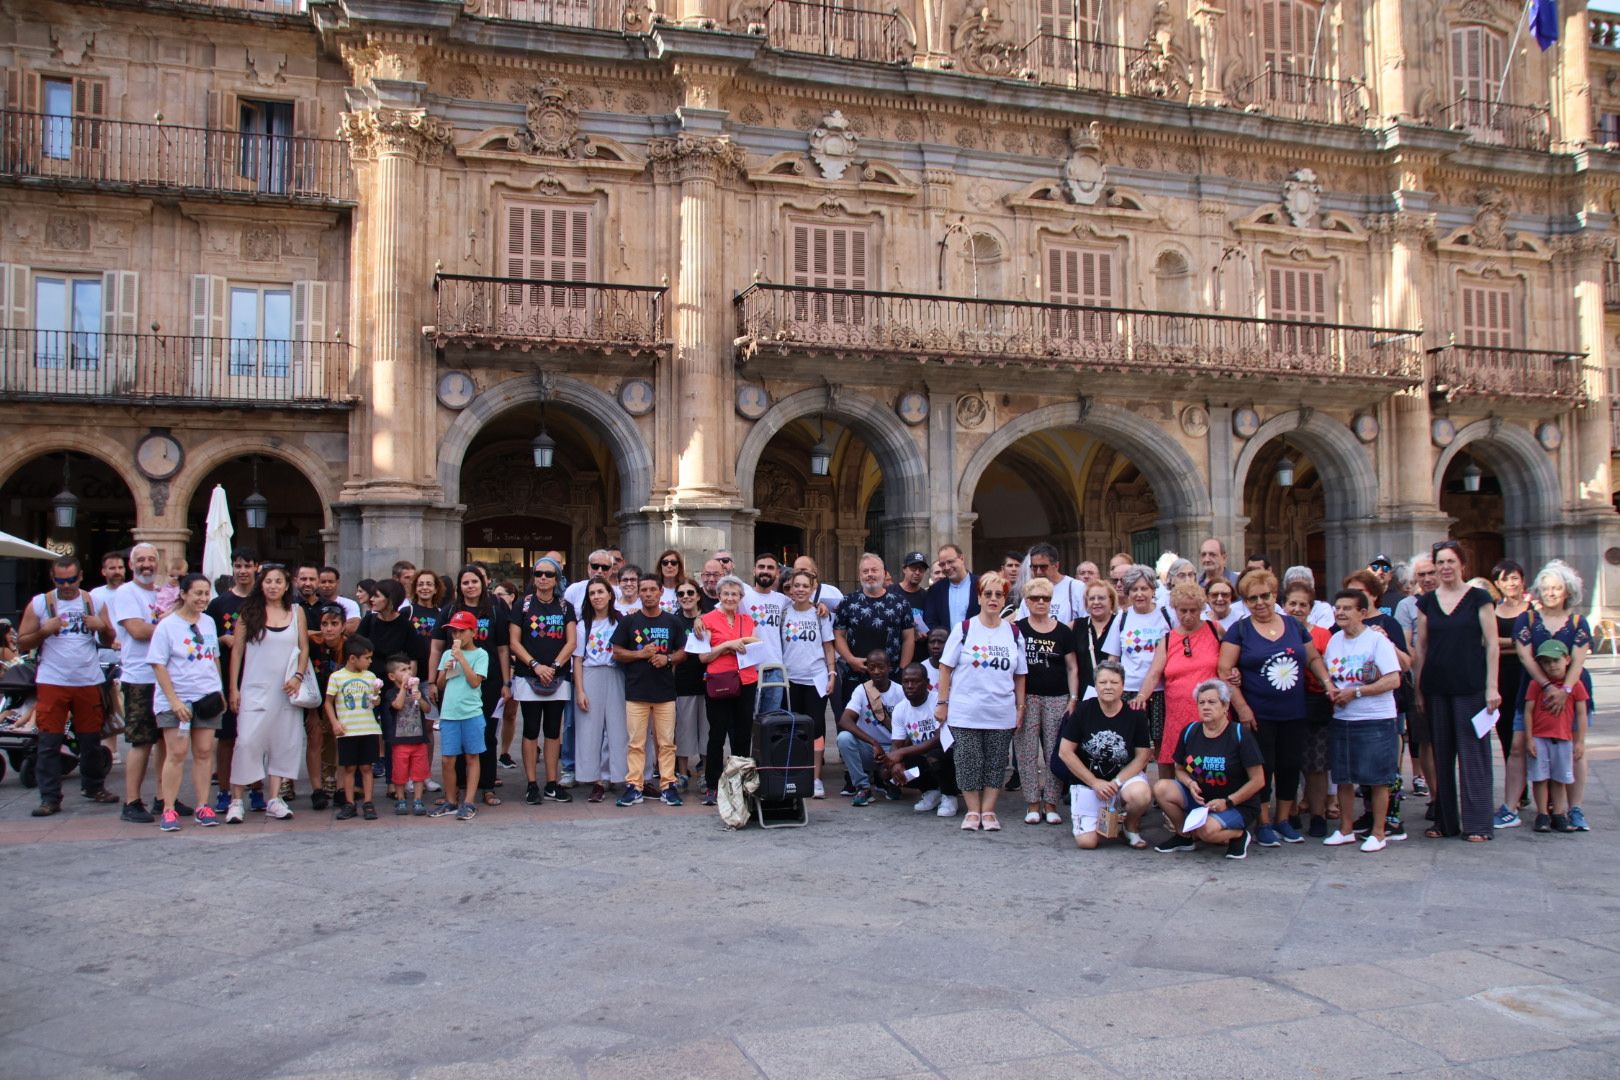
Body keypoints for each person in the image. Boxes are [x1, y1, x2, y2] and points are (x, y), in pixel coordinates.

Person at [1219, 568, 1332, 848]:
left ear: (1274, 596)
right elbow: (1224, 669)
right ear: (1244, 602)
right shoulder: (1240, 630)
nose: (1260, 603)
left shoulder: (1293, 626)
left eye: (1265, 596)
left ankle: (1284, 819)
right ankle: (1264, 821)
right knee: (1262, 768)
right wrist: (1242, 708)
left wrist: (1327, 682)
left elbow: (1313, 658)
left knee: (1290, 765)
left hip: (1294, 711)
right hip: (1258, 714)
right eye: (1252, 598)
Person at [16, 555, 117, 816]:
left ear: (81, 576)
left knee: (90, 739)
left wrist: (102, 626)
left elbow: (109, 639)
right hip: (53, 680)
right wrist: (43, 631)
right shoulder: (40, 603)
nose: (66, 585)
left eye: (71, 579)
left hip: (88, 679)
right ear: (53, 578)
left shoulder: (93, 601)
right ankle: (49, 797)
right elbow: (22, 643)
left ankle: (94, 787)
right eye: (61, 581)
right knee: (49, 740)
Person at [1413, 541, 1501, 842]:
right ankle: (1445, 821)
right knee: (1441, 755)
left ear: (1462, 564)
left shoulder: (1479, 597)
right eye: (1440, 562)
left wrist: (1492, 686)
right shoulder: (1426, 602)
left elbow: (1491, 644)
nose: (1445, 567)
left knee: (1473, 755)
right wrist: (1419, 689)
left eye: (1451, 561)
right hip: (1437, 686)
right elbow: (1422, 647)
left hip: (1471, 687)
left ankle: (1478, 824)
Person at [937, 572, 1027, 832]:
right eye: (988, 594)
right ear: (979, 597)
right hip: (966, 710)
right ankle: (972, 811)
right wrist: (942, 702)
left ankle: (988, 811)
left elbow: (1020, 675)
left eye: (999, 595)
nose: (993, 599)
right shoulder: (964, 629)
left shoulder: (1012, 632)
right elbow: (945, 667)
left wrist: (1020, 708)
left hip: (1000, 711)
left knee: (996, 762)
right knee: (967, 760)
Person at [1514, 559, 1594, 831]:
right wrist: (1548, 687)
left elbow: (1579, 659)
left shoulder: (1577, 621)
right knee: (1530, 748)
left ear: (1567, 591)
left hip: (1573, 692)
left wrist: (1565, 690)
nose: (1550, 593)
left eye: (1556, 588)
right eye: (1546, 588)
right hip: (1536, 690)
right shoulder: (1528, 619)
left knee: (1574, 750)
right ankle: (1541, 809)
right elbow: (1525, 655)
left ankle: (1575, 808)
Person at [1321, 589, 1403, 852]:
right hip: (1343, 717)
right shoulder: (1334, 640)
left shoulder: (1377, 641)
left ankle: (1378, 833)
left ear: (1363, 613)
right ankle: (1345, 829)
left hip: (1375, 718)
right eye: (1338, 608)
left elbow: (1393, 679)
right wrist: (1332, 690)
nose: (1340, 613)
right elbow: (1334, 675)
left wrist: (1356, 692)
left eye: (1347, 608)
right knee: (1343, 777)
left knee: (1377, 778)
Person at [227, 564, 309, 823]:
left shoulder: (296, 612)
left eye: (278, 581)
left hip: (286, 689)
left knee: (284, 742)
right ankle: (237, 799)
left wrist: (298, 676)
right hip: (254, 688)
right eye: (268, 581)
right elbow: (237, 652)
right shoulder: (248, 614)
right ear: (260, 584)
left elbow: (303, 647)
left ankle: (275, 797)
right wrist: (233, 688)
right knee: (247, 742)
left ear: (287, 586)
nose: (273, 586)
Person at [1153, 680, 1267, 859]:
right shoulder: (1190, 731)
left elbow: (1258, 780)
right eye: (1201, 702)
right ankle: (1185, 836)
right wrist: (1190, 783)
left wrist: (1228, 801)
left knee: (1206, 833)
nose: (1206, 707)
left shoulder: (1239, 734)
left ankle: (1239, 835)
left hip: (1236, 804)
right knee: (1162, 788)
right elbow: (1179, 769)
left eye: (1212, 702)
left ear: (1225, 706)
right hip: (1201, 802)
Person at [147, 575, 225, 831]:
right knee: (176, 753)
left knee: (204, 752)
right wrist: (174, 701)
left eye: (206, 593)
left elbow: (213, 656)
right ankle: (168, 807)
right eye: (197, 593)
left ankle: (203, 805)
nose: (203, 599)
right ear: (183, 594)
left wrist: (219, 688)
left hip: (207, 695)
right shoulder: (167, 626)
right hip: (177, 697)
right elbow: (158, 664)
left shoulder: (209, 622)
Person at [429, 566, 511, 807]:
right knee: (455, 737)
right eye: (465, 582)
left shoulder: (495, 609)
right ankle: (457, 789)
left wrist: (507, 682)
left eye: (474, 581)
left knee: (485, 734)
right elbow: (435, 647)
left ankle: (486, 786)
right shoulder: (449, 611)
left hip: (488, 680)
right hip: (454, 683)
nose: (470, 586)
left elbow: (503, 648)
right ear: (459, 586)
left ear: (482, 583)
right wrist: (432, 681)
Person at [612, 573, 689, 807]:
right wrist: (640, 654)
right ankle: (634, 786)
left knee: (666, 743)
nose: (647, 594)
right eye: (643, 590)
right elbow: (616, 652)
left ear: (660, 592)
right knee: (636, 743)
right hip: (636, 692)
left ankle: (668, 785)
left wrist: (666, 659)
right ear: (638, 593)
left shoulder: (672, 621)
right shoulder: (629, 621)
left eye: (651, 590)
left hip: (665, 692)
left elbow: (684, 652)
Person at [1058, 659, 1152, 850]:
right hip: (1089, 781)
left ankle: (1129, 826)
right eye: (1103, 682)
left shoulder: (1136, 715)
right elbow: (1065, 752)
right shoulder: (1083, 710)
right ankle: (1107, 817)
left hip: (1123, 779)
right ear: (1096, 685)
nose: (1108, 687)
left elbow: (1143, 756)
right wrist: (1095, 782)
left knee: (1140, 795)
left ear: (1123, 686)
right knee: (1087, 842)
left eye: (1114, 682)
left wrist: (1116, 783)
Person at [1133, 581, 1221, 782]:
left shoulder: (1215, 629)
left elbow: (1230, 659)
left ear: (1201, 608)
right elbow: (1154, 673)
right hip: (1177, 711)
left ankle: (1207, 798)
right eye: (1183, 611)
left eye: (1193, 610)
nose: (1188, 616)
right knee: (1173, 758)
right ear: (1175, 609)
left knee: (1208, 761)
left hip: (1209, 710)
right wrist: (1141, 696)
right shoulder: (1168, 638)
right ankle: (1172, 800)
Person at [510, 556, 577, 806]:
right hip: (529, 676)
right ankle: (531, 784)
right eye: (539, 573)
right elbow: (514, 641)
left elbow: (571, 641)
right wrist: (536, 666)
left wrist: (555, 666)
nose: (543, 578)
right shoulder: (523, 606)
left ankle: (551, 782)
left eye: (549, 574)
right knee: (529, 730)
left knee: (552, 731)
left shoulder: (565, 606)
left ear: (557, 578)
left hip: (558, 677)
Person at [1014, 577, 1078, 825]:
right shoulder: (1018, 628)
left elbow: (1072, 667)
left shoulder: (1062, 631)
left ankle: (1051, 803)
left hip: (1057, 697)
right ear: (1026, 601)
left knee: (1055, 751)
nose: (1041, 602)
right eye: (1035, 598)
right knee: (1026, 750)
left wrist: (1073, 698)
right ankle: (1032, 803)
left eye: (1046, 598)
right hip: (1027, 697)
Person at [113, 543, 167, 823]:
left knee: (164, 740)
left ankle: (163, 797)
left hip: (164, 678)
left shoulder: (160, 593)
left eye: (151, 560)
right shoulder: (126, 593)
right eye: (141, 560)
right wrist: (170, 629)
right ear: (132, 564)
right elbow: (136, 629)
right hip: (139, 677)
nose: (147, 565)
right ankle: (131, 800)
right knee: (141, 741)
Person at [697, 574, 760, 805]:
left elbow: (755, 643)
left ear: (741, 597)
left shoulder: (747, 619)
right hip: (720, 681)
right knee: (717, 734)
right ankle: (712, 784)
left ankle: (741, 781)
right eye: (726, 594)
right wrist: (727, 645)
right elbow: (704, 656)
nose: (730, 598)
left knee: (743, 734)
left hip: (746, 680)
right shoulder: (707, 620)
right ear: (719, 596)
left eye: (735, 594)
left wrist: (738, 644)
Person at [205, 551, 258, 814]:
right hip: (228, 676)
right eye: (238, 565)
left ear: (255, 567)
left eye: (247, 565)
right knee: (227, 738)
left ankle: (257, 789)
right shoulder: (219, 604)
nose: (242, 570)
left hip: (259, 675)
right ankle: (224, 791)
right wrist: (221, 640)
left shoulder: (263, 601)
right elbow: (206, 637)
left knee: (256, 737)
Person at [833, 553, 916, 712]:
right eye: (865, 571)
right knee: (852, 723)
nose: (870, 574)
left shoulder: (900, 603)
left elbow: (908, 638)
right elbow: (838, 635)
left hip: (891, 676)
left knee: (894, 723)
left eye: (874, 570)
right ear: (859, 576)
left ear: (884, 573)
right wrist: (850, 660)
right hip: (856, 675)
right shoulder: (848, 602)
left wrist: (903, 670)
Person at [1102, 565, 1170, 749]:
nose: (1139, 594)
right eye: (1134, 589)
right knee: (1128, 742)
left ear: (1153, 590)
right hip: (1128, 690)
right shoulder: (1122, 617)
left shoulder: (1166, 615)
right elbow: (1113, 658)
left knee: (1161, 743)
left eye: (1144, 589)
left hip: (1160, 691)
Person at [781, 569, 836, 798]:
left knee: (816, 728)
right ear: (790, 589)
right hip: (790, 679)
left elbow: (828, 645)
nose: (801, 589)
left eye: (805, 586)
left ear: (813, 589)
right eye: (797, 586)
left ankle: (815, 778)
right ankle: (795, 773)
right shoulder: (784, 614)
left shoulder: (820, 614)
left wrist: (832, 673)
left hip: (815, 679)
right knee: (792, 728)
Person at [1523, 640, 1587, 833]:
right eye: (1546, 662)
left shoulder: (1576, 685)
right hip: (1540, 737)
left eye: (1556, 660)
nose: (1552, 665)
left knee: (1560, 778)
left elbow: (1582, 713)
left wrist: (1580, 741)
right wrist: (1528, 738)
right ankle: (1542, 813)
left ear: (1567, 660)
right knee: (1540, 777)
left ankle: (1559, 813)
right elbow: (1528, 711)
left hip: (1563, 738)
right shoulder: (1536, 685)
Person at [573, 577, 627, 804]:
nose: (596, 597)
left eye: (600, 592)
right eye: (592, 593)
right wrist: (580, 690)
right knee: (589, 729)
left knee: (619, 727)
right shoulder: (583, 624)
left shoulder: (620, 622)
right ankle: (595, 780)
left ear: (609, 595)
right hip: (591, 673)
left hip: (616, 674)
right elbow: (577, 659)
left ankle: (619, 776)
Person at [882, 662, 959, 816]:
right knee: (887, 771)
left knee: (934, 757)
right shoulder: (900, 709)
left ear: (927, 683)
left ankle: (949, 795)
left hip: (949, 756)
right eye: (906, 681)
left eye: (915, 681)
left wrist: (901, 753)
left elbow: (939, 739)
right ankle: (931, 791)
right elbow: (896, 744)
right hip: (923, 758)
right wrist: (895, 763)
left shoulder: (938, 702)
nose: (910, 685)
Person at [434, 610, 488, 820]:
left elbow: (475, 681)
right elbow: (439, 685)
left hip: (471, 712)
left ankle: (469, 801)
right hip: (449, 713)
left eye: (461, 631)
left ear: (473, 632)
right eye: (453, 632)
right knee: (448, 759)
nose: (456, 636)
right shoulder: (447, 654)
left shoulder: (481, 654)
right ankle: (450, 800)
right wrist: (446, 670)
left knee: (472, 756)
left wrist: (462, 660)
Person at [834, 648, 906, 806]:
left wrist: (894, 755)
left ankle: (890, 782)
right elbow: (845, 720)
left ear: (889, 667)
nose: (876, 671)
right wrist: (873, 742)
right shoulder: (861, 690)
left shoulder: (900, 692)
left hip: (894, 749)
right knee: (844, 738)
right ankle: (863, 787)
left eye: (881, 667)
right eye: (872, 667)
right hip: (870, 749)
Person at [1490, 559, 1530, 829]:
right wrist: (1520, 643)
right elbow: (1487, 642)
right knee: (1507, 736)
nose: (1511, 583)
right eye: (1505, 579)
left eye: (1515, 578)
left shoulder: (1533, 611)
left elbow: (1538, 642)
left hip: (1529, 677)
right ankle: (1520, 792)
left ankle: (1544, 791)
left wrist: (1504, 644)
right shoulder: (1493, 611)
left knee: (1532, 737)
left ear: (1522, 580)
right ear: (1498, 584)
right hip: (1503, 677)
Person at [326, 634, 382, 821]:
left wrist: (376, 698)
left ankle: (368, 802)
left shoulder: (370, 676)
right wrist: (335, 723)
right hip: (348, 729)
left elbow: (375, 700)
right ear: (352, 658)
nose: (370, 661)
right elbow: (328, 702)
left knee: (367, 766)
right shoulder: (337, 677)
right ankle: (349, 803)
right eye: (366, 658)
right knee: (349, 767)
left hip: (368, 728)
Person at [304, 604, 348, 809]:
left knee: (341, 740)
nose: (329, 629)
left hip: (341, 701)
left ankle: (340, 787)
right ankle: (317, 789)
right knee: (315, 738)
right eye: (324, 624)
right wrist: (312, 710)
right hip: (315, 698)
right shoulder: (312, 644)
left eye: (334, 624)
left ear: (343, 626)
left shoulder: (349, 647)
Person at [89, 549, 127, 765]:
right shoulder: (95, 594)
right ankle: (111, 749)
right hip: (105, 654)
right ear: (103, 571)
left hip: (130, 656)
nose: (117, 571)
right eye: (112, 568)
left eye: (120, 567)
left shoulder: (132, 591)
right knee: (109, 703)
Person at [672, 582, 710, 788]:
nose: (685, 596)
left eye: (690, 593)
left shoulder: (709, 617)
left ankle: (705, 772)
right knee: (684, 730)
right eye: (681, 593)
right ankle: (683, 772)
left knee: (706, 730)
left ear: (698, 596)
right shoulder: (673, 620)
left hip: (707, 681)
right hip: (683, 683)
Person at [741, 554, 789, 713]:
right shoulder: (742, 598)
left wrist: (819, 605)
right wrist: (700, 620)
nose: (765, 571)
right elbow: (718, 612)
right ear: (754, 571)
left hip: (775, 669)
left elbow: (804, 606)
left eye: (770, 568)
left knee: (770, 724)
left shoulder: (782, 599)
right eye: (761, 567)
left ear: (777, 573)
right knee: (748, 722)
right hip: (749, 668)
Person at [385, 655, 430, 815]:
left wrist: (420, 697)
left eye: (409, 668)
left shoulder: (416, 690)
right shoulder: (392, 693)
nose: (408, 672)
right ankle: (401, 799)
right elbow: (397, 705)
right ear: (392, 676)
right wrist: (404, 688)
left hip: (419, 739)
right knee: (400, 772)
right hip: (400, 740)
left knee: (419, 772)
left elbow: (427, 709)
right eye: (403, 670)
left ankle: (417, 800)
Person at [1016, 542, 1083, 625]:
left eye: (1043, 567)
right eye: (1034, 567)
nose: (1039, 572)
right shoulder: (1030, 589)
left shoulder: (1076, 587)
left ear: (1056, 565)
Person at [922, 544, 978, 631]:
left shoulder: (981, 585)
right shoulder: (935, 590)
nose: (947, 567)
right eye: (942, 564)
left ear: (962, 559)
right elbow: (930, 621)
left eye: (950, 562)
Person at [1074, 579, 1116, 692]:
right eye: (1092, 598)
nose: (1096, 602)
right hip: (1084, 693)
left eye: (1101, 598)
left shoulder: (1120, 624)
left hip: (1113, 691)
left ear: (1111, 601)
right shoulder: (1076, 626)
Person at [892, 552, 930, 635]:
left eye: (921, 569)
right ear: (904, 569)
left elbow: (929, 624)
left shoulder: (927, 596)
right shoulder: (891, 592)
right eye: (913, 568)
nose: (917, 572)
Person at [317, 566, 362, 633]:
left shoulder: (350, 604)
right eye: (323, 582)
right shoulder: (313, 604)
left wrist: (317, 633)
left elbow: (353, 627)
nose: (327, 585)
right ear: (318, 583)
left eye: (330, 582)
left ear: (337, 582)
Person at [655, 548, 689, 613]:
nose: (669, 566)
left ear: (679, 567)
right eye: (665, 563)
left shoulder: (688, 588)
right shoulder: (654, 589)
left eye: (673, 563)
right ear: (660, 566)